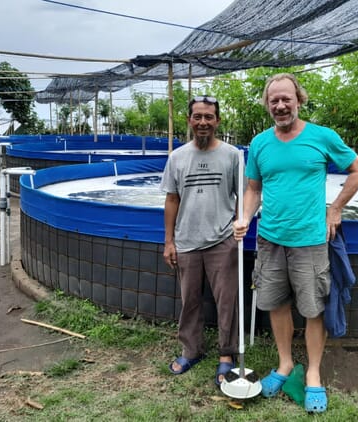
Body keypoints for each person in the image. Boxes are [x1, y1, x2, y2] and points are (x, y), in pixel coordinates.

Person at [233, 73, 358, 413]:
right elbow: (253, 189)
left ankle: (313, 374)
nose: (280, 105)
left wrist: (335, 210)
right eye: (273, 100)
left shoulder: (322, 137)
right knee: (276, 304)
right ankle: (284, 364)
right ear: (267, 105)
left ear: (298, 100)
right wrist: (245, 217)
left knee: (312, 310)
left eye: (286, 99)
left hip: (310, 240)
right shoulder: (261, 143)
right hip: (270, 239)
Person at [161, 95, 239, 387]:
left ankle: (226, 355)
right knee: (190, 300)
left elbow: (244, 198)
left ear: (217, 121)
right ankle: (191, 350)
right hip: (187, 241)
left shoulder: (232, 155)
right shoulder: (177, 157)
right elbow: (171, 199)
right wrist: (169, 241)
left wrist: (237, 228)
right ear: (189, 120)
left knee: (226, 301)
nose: (203, 122)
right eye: (198, 117)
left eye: (209, 117)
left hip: (222, 240)